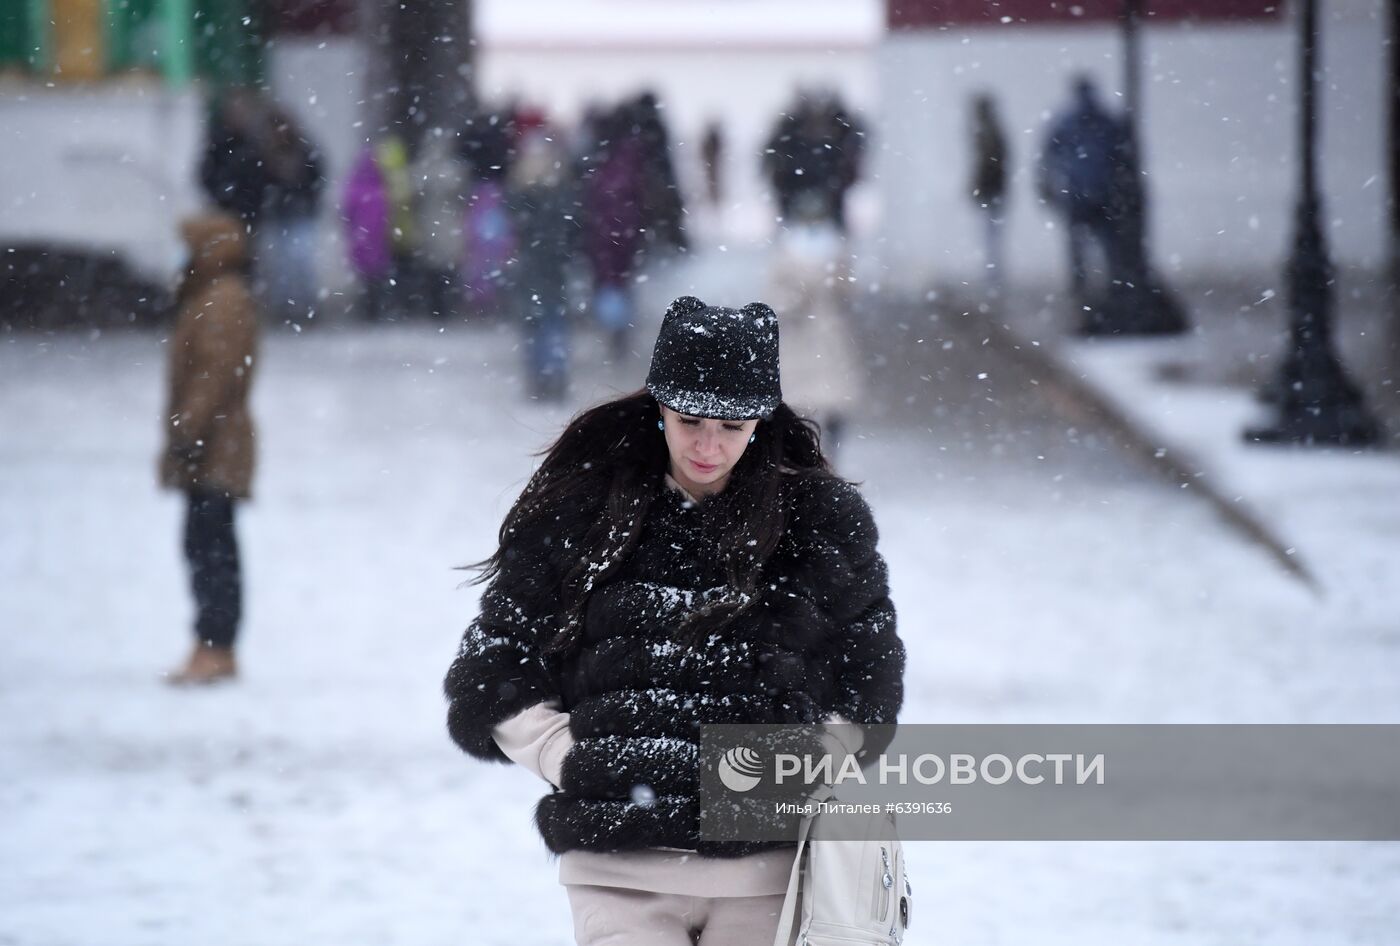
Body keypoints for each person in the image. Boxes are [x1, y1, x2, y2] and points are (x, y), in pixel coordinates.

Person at [443, 295, 905, 945]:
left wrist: (796, 771)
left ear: (761, 422)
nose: (709, 446)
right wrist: (574, 757)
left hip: (766, 872)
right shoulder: (586, 507)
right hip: (616, 866)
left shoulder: (820, 523)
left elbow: (867, 687)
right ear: (659, 405)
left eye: (732, 426)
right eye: (690, 420)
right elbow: (494, 665)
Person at [159, 212, 260, 685]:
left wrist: (187, 431)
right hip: (212, 443)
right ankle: (211, 644)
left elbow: (215, 376)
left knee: (211, 547)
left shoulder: (222, 300)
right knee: (204, 544)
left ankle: (215, 645)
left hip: (216, 445)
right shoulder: (212, 296)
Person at [767, 193, 864, 461]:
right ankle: (802, 455)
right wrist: (797, 297)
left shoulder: (836, 249)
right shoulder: (786, 251)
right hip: (798, 338)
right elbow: (775, 298)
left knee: (834, 399)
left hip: (829, 335)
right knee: (798, 400)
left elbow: (850, 291)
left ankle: (829, 454)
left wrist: (836, 284)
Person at [1037, 75, 1128, 301]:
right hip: (1101, 192)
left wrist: (1047, 183)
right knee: (1108, 243)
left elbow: (1049, 155)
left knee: (1078, 245)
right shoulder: (1106, 119)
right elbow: (1121, 155)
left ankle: (1081, 288)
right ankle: (1112, 284)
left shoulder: (1065, 121)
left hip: (1077, 193)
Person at [507, 130, 579, 402]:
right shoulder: (560, 191)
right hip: (553, 267)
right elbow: (572, 228)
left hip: (531, 268)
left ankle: (538, 377)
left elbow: (514, 228)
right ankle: (555, 375)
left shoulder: (519, 192)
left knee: (534, 324)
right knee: (553, 322)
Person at [968, 93, 1008, 295]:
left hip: (991, 188)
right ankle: (993, 272)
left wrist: (978, 185)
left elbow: (986, 163)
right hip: (995, 187)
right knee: (992, 231)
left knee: (991, 232)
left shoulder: (986, 131)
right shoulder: (992, 129)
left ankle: (993, 274)